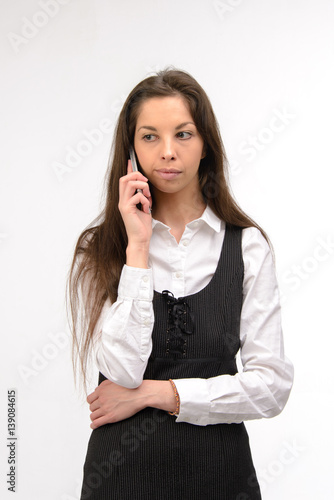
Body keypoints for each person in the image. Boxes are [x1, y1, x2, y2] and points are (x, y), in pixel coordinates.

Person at [68, 68, 294, 500]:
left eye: (184, 135)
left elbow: (271, 386)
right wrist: (137, 246)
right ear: (130, 150)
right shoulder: (103, 248)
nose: (167, 152)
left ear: (206, 144)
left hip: (221, 479)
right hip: (121, 480)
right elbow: (121, 371)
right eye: (150, 137)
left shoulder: (247, 246)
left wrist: (158, 394)